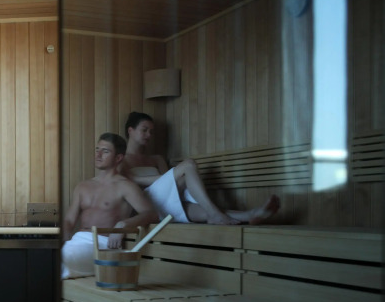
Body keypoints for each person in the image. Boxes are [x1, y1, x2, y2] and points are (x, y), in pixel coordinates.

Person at [121, 111, 280, 225]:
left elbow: (170, 185)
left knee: (204, 210)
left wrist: (147, 178)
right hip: (146, 205)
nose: (149, 135)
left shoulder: (156, 159)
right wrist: (149, 179)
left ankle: (251, 214)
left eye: (151, 131)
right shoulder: (122, 160)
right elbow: (130, 185)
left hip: (165, 204)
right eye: (144, 130)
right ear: (130, 130)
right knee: (188, 165)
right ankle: (215, 213)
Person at [61, 132, 158, 279]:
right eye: (97, 149)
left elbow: (151, 214)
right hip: (77, 241)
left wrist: (123, 225)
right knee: (44, 253)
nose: (98, 155)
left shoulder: (125, 186)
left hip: (103, 244)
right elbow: (69, 220)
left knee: (60, 257)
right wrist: (64, 236)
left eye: (105, 151)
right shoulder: (83, 186)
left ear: (118, 158)